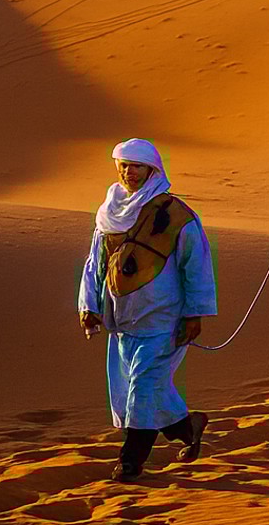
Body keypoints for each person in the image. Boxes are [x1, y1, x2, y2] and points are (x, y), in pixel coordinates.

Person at [79, 138, 217, 483]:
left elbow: (196, 264)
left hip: (163, 317)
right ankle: (188, 428)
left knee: (142, 387)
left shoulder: (174, 214)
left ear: (152, 170)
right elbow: (96, 263)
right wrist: (89, 305)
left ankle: (130, 462)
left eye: (138, 166)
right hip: (123, 319)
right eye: (124, 165)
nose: (130, 173)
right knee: (137, 390)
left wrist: (194, 313)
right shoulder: (109, 212)